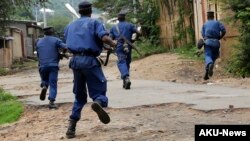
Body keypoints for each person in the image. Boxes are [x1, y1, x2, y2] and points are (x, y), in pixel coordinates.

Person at [64, 1, 117, 139]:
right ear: (90, 11)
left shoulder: (69, 26)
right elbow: (104, 37)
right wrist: (113, 43)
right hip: (90, 61)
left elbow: (72, 43)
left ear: (79, 11)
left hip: (75, 62)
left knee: (79, 96)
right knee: (99, 88)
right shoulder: (95, 23)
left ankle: (71, 127)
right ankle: (98, 103)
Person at [36, 26, 67, 109]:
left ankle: (45, 86)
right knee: (53, 84)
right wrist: (62, 54)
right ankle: (51, 102)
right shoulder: (56, 40)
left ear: (44, 33)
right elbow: (65, 47)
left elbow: (38, 54)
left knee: (45, 80)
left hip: (42, 65)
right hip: (53, 65)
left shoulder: (38, 41)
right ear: (52, 32)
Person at [110, 12, 141, 89]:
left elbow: (110, 38)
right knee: (127, 62)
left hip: (119, 46)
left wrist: (111, 45)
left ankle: (126, 78)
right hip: (128, 45)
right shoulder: (130, 25)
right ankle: (125, 80)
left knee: (121, 61)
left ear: (118, 18)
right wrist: (134, 39)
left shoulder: (114, 28)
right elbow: (138, 32)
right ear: (124, 18)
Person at [201, 11, 226, 80]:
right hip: (216, 43)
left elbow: (203, 35)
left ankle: (209, 65)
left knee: (208, 56)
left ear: (207, 16)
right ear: (213, 16)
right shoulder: (217, 22)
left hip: (208, 42)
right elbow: (224, 31)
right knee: (214, 56)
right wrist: (219, 37)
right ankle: (206, 74)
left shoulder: (205, 24)